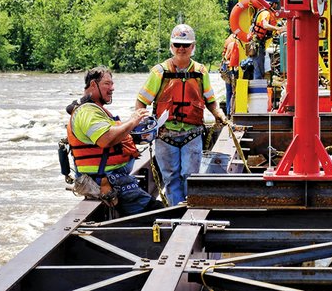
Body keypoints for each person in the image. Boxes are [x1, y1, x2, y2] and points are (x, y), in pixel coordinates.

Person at [135, 24, 228, 205]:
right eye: (177, 44)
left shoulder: (200, 72)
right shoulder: (159, 72)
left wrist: (219, 114)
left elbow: (210, 101)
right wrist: (144, 122)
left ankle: (190, 209)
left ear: (193, 47)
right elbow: (141, 102)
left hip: (191, 134)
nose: (181, 49)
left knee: (190, 176)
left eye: (186, 45)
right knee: (170, 178)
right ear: (171, 46)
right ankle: (176, 211)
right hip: (165, 135)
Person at [66, 66, 163, 216]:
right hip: (107, 181)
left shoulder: (94, 110)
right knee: (161, 213)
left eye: (112, 84)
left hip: (113, 179)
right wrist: (132, 121)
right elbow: (106, 139)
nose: (112, 88)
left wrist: (135, 133)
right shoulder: (87, 112)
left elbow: (112, 138)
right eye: (107, 84)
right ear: (93, 84)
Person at [250, 0, 285, 79]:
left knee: (261, 70)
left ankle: (260, 90)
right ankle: (258, 91)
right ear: (272, 4)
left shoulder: (266, 12)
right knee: (259, 71)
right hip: (257, 45)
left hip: (260, 44)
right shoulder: (266, 13)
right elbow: (265, 25)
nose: (276, 6)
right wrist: (277, 29)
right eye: (276, 4)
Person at [220, 31, 240, 117]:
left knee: (229, 92)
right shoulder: (236, 42)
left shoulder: (228, 39)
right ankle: (232, 112)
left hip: (225, 66)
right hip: (231, 68)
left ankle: (228, 112)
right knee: (234, 91)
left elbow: (224, 55)